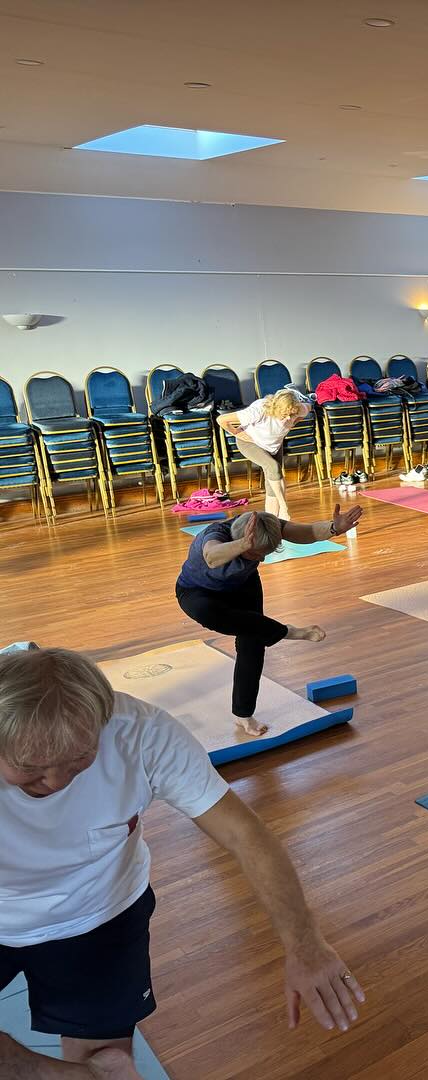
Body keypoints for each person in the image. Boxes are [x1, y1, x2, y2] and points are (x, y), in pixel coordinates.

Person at [0, 647, 362, 1079]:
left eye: (79, 758)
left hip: (102, 912)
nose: (58, 781)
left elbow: (245, 835)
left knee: (105, 1054)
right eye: (32, 768)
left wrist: (305, 942)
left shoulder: (142, 732)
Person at [175, 506, 363, 736]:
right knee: (208, 612)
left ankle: (243, 714)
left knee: (253, 643)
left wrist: (334, 528)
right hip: (197, 591)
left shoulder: (264, 525)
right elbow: (211, 557)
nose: (262, 558)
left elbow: (307, 532)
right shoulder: (215, 535)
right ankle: (286, 631)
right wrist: (242, 545)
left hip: (243, 584)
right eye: (257, 555)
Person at [217, 389, 311, 519]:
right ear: (276, 409)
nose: (289, 418)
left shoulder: (298, 409)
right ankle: (284, 508)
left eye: (291, 414)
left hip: (273, 446)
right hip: (250, 443)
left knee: (273, 479)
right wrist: (236, 433)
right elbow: (221, 419)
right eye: (285, 414)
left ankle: (272, 519)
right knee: (273, 467)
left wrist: (295, 421)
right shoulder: (259, 410)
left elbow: (308, 407)